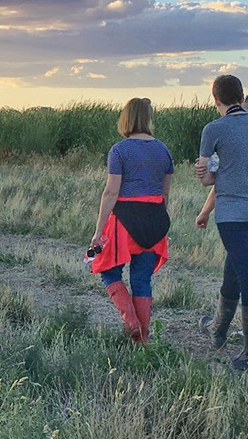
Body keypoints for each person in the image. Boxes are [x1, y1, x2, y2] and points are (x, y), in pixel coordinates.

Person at [195, 74, 248, 371]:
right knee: (236, 267)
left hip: (231, 212)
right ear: (241, 97)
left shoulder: (214, 128)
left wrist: (205, 172)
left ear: (216, 100)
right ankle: (218, 329)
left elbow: (208, 177)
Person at [90, 98, 173, 344]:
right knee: (141, 279)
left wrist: (98, 232)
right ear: (148, 118)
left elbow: (111, 192)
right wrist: (157, 221)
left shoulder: (120, 150)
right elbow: (165, 193)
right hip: (155, 219)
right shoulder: (163, 150)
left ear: (126, 118)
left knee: (107, 270)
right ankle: (143, 339)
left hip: (124, 221)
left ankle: (131, 322)